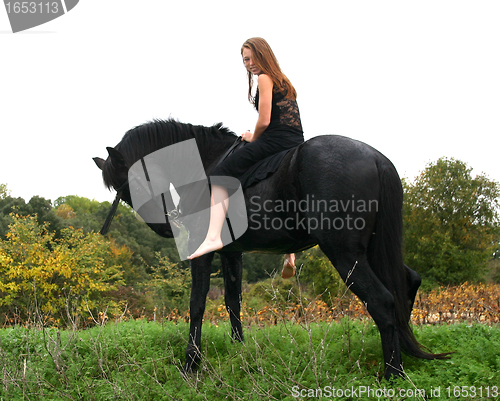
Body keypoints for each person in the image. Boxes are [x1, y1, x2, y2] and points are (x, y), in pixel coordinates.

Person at [188, 37, 304, 279]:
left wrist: (253, 137)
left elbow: (264, 120)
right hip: (295, 140)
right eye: (245, 60)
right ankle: (290, 255)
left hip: (275, 139)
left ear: (264, 56)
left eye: (251, 58)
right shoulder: (285, 81)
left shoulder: (264, 78)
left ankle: (213, 237)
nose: (249, 64)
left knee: (219, 175)